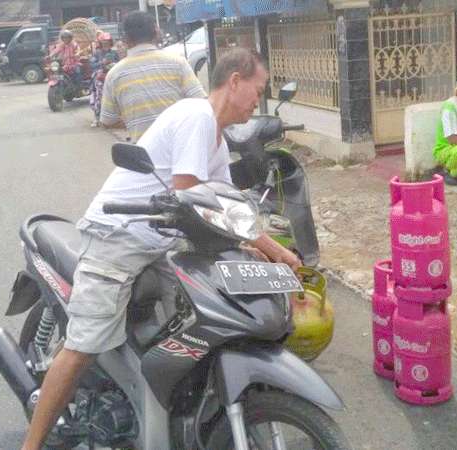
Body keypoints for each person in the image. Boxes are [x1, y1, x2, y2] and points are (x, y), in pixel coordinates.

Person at [20, 47, 298, 450]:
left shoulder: (217, 143)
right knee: (84, 345)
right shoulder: (195, 117)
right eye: (258, 89)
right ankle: (31, 445)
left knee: (196, 328)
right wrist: (278, 252)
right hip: (118, 237)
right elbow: (190, 196)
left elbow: (227, 206)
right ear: (235, 81)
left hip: (160, 244)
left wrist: (261, 248)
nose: (259, 99)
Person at [99, 11, 206, 142]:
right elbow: (201, 103)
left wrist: (133, 122)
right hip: (181, 150)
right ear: (156, 33)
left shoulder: (114, 74)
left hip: (144, 156)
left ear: (125, 39)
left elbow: (107, 121)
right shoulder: (178, 63)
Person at [89, 33, 119, 127]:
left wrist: (113, 64)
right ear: (100, 43)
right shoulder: (97, 53)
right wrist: (102, 63)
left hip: (112, 75)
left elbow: (119, 63)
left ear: (110, 42)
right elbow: (92, 65)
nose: (105, 44)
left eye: (107, 42)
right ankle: (97, 118)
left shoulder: (114, 53)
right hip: (100, 77)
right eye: (103, 42)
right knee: (98, 95)